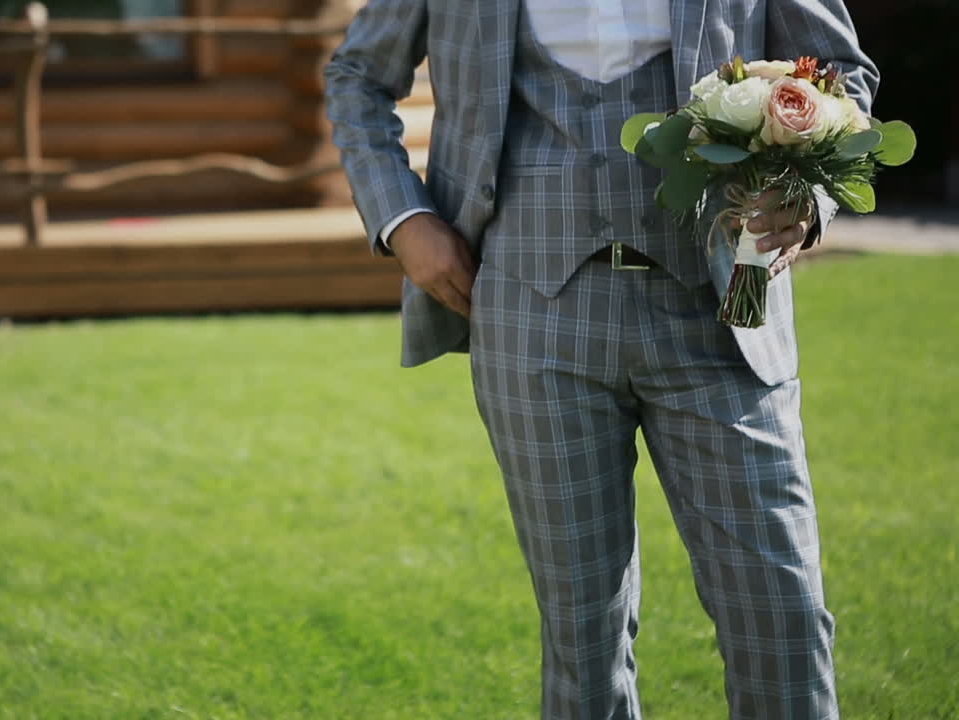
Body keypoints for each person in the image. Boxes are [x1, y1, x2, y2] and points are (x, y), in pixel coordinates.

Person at [323, 1, 878, 718]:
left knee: (782, 615)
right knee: (583, 642)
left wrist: (806, 195)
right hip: (534, 311)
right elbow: (358, 76)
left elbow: (840, 73)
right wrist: (405, 219)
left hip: (723, 307)